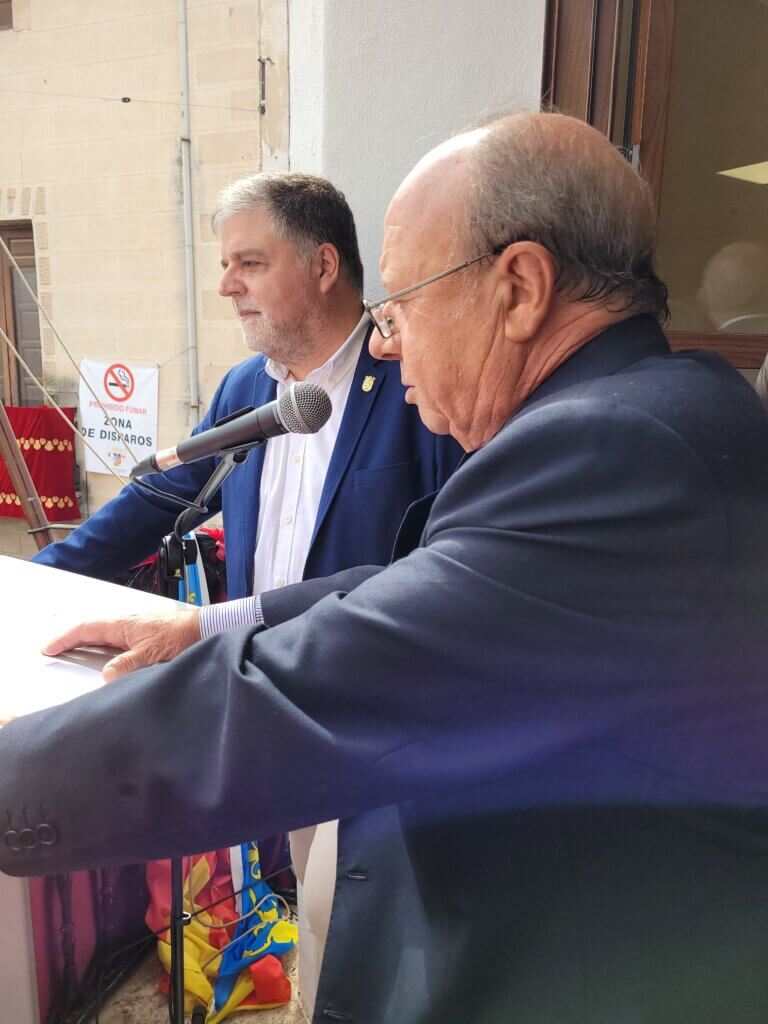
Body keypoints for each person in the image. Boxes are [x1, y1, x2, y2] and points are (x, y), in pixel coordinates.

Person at [5, 113, 768, 1024]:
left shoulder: (608, 451)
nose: (385, 342)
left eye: (400, 305)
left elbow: (304, 690)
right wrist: (203, 622)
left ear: (520, 288)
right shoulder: (657, 411)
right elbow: (428, 583)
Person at [30, 171, 463, 1019]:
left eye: (250, 263)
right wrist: (36, 579)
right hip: (275, 708)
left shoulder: (413, 384)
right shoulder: (244, 391)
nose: (227, 284)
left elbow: (434, 566)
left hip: (379, 725)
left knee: (371, 942)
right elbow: (155, 501)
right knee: (312, 918)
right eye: (226, 263)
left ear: (324, 266)